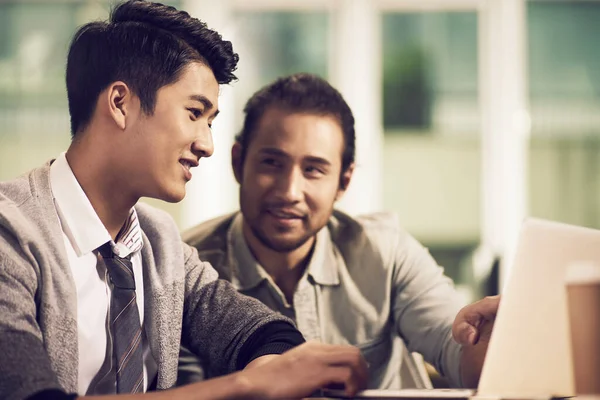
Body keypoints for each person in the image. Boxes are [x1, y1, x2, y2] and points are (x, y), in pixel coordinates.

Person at [0, 3, 368, 400]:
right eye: (194, 113)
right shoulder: (10, 234)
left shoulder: (159, 241)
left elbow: (262, 332)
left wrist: (275, 366)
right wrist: (245, 385)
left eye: (209, 122)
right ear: (120, 103)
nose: (207, 144)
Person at [181, 73, 500, 389]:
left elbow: (457, 350)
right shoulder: (182, 267)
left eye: (313, 170)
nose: (290, 191)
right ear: (238, 163)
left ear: (343, 181)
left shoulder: (387, 254)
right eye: (272, 163)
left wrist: (494, 338)